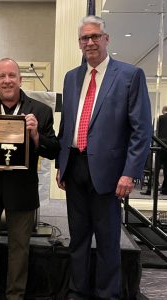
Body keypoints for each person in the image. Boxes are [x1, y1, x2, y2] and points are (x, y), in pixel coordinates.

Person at [56, 16, 152, 300]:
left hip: (110, 173)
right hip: (75, 167)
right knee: (78, 238)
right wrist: (62, 165)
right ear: (79, 43)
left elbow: (141, 130)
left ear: (107, 39)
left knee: (109, 240)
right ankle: (77, 291)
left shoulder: (129, 75)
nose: (90, 42)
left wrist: (129, 172)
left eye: (95, 36)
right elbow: (67, 127)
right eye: (84, 38)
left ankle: (107, 294)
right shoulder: (71, 77)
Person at [0, 58, 59, 300]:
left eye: (12, 76)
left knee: (20, 248)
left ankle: (15, 295)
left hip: (22, 190)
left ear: (20, 79)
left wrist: (36, 134)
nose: (7, 80)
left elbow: (53, 149)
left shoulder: (40, 111)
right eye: (2, 76)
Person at [158, 105, 167, 195]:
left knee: (157, 167)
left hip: (161, 144)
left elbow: (158, 132)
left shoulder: (161, 118)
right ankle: (165, 188)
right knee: (166, 169)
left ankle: (152, 186)